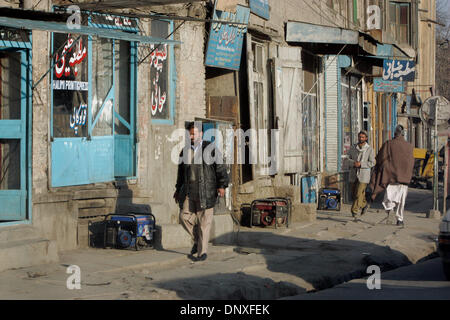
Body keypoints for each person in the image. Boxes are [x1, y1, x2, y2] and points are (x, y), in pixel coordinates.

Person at [173, 122, 229, 261]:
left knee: (204, 222)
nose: (192, 136)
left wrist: (222, 185)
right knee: (184, 216)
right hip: (189, 191)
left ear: (201, 133)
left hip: (207, 190)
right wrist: (177, 189)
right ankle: (197, 240)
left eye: (194, 133)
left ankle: (202, 252)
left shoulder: (211, 149)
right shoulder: (185, 151)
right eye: (190, 134)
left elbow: (220, 168)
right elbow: (181, 173)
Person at [369, 125, 415, 226]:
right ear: (403, 134)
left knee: (389, 199)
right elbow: (411, 163)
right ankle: (399, 219)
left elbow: (380, 158)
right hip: (404, 179)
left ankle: (390, 214)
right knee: (401, 202)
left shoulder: (388, 144)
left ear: (395, 133)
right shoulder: (409, 146)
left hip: (390, 178)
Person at [348, 130, 376, 218]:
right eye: (360, 137)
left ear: (366, 138)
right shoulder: (353, 148)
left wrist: (361, 164)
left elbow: (372, 162)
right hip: (354, 173)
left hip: (364, 175)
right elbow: (347, 159)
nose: (361, 139)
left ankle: (354, 210)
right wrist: (353, 163)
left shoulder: (369, 149)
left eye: (363, 137)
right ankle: (364, 205)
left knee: (359, 193)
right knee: (354, 193)